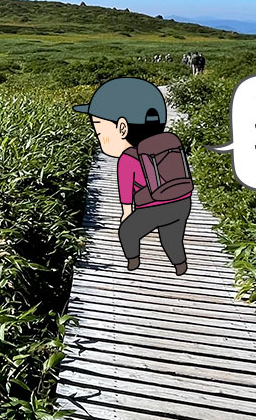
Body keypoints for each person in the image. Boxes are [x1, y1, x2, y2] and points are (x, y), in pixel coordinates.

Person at [72, 77, 191, 275]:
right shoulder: (170, 143)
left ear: (122, 128)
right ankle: (180, 265)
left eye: (99, 128)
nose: (98, 135)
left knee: (127, 233)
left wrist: (126, 213)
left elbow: (126, 192)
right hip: (182, 201)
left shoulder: (127, 158)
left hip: (154, 208)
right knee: (171, 239)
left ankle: (133, 261)